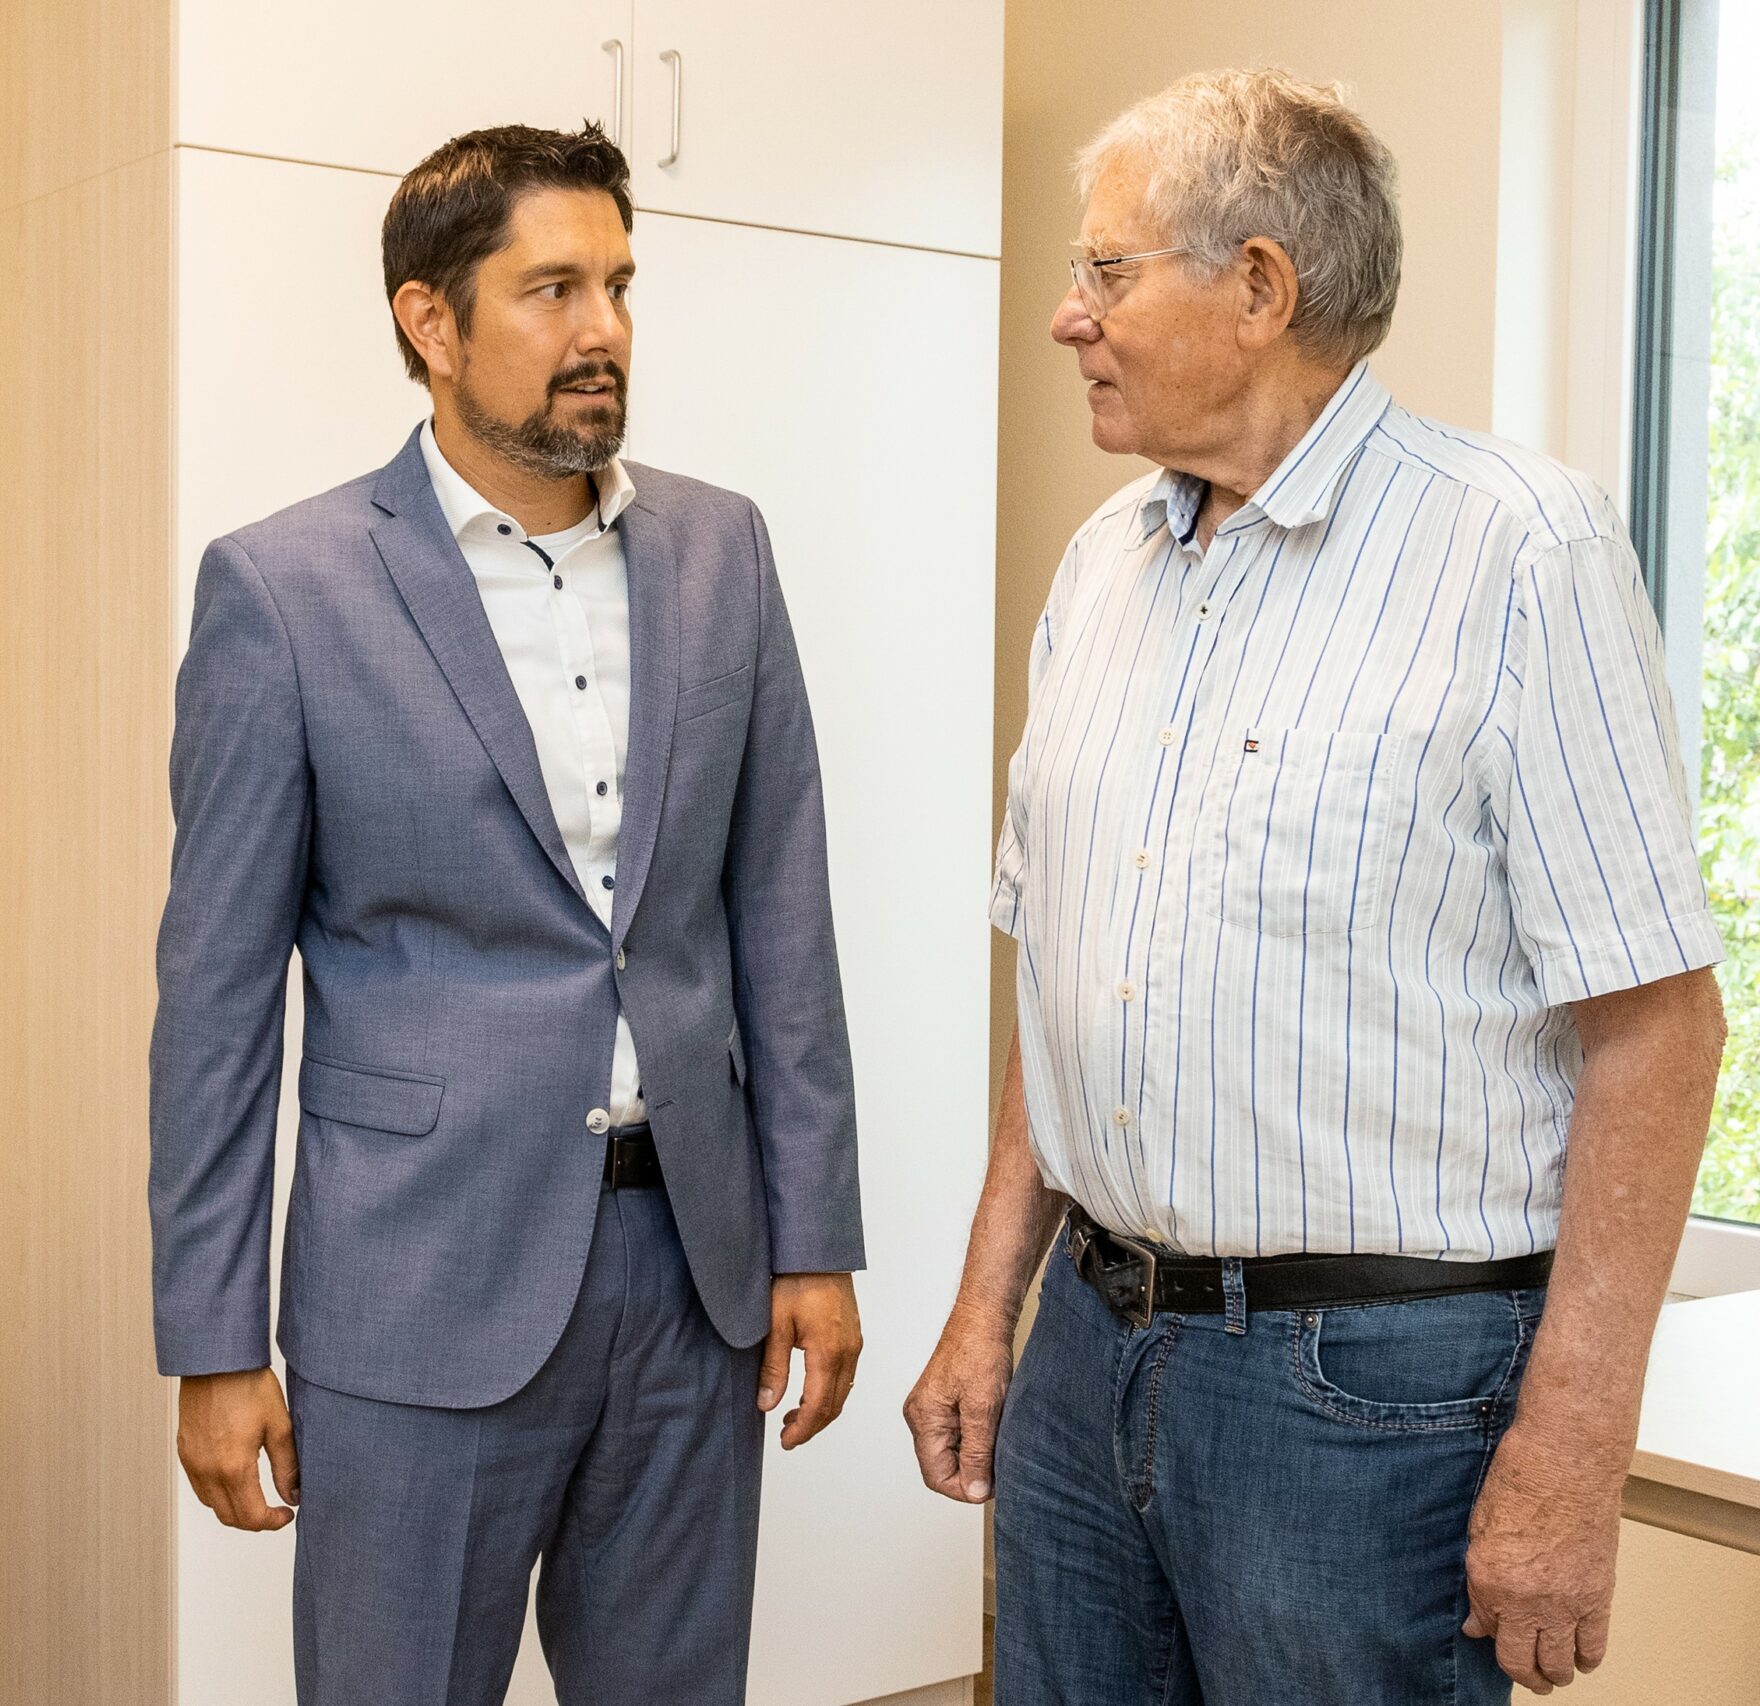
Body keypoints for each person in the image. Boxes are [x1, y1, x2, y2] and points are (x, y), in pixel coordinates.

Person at [906, 67, 1728, 1704]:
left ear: (1262, 285)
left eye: (1108, 271)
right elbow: (1059, 975)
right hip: (1089, 1348)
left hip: (1368, 1399)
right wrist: (986, 1303)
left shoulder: (1519, 549)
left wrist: (1573, 1447)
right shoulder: (1104, 565)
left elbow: (1659, 1028)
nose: (1069, 316)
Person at [148, 121, 865, 1705]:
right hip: (415, 1284)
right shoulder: (285, 589)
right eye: (552, 290)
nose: (603, 329)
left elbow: (780, 913)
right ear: (432, 320)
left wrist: (814, 1237)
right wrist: (214, 1338)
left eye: (619, 284)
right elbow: (215, 1001)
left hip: (691, 1273)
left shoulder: (723, 549)